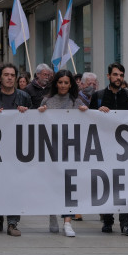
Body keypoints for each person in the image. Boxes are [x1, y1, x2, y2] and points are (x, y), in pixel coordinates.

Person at [90, 63, 128, 237]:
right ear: (108, 76)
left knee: (126, 185)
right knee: (106, 185)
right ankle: (107, 219)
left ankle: (127, 223)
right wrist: (98, 112)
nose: (118, 78)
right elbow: (88, 120)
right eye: (115, 75)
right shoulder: (98, 96)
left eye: (121, 75)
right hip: (104, 149)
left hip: (124, 150)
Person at [0, 62, 31, 237]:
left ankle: (12, 222)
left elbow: (32, 124)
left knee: (15, 185)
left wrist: (26, 113)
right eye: (6, 75)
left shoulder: (24, 97)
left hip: (16, 150)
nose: (10, 78)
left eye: (12, 75)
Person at [38, 69, 88, 237]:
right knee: (53, 185)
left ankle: (68, 221)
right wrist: (41, 113)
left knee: (69, 187)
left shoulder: (77, 102)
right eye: (60, 82)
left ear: (71, 84)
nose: (63, 85)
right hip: (52, 151)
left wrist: (85, 112)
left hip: (70, 151)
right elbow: (38, 123)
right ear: (56, 83)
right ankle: (53, 215)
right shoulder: (47, 100)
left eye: (66, 82)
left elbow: (89, 121)